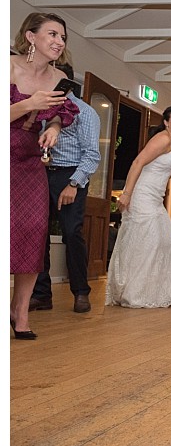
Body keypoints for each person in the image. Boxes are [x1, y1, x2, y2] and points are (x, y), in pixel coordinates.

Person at [10, 12, 78, 339]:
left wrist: (52, 127)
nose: (59, 42)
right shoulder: (7, 67)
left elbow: (59, 115)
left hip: (29, 157)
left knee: (34, 229)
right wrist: (29, 104)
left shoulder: (58, 77)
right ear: (30, 36)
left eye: (62, 37)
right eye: (52, 34)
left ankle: (19, 311)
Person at [31, 64, 100, 314]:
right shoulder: (39, 107)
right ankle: (41, 294)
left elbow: (92, 154)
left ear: (65, 82)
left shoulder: (86, 112)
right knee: (39, 234)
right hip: (40, 174)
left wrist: (73, 184)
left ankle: (81, 293)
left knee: (72, 233)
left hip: (71, 175)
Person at [105, 105, 171, 308]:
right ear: (166, 122)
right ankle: (135, 293)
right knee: (145, 242)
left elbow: (159, 172)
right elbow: (137, 163)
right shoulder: (163, 138)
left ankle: (156, 290)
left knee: (167, 239)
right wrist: (126, 194)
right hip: (141, 196)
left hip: (155, 198)